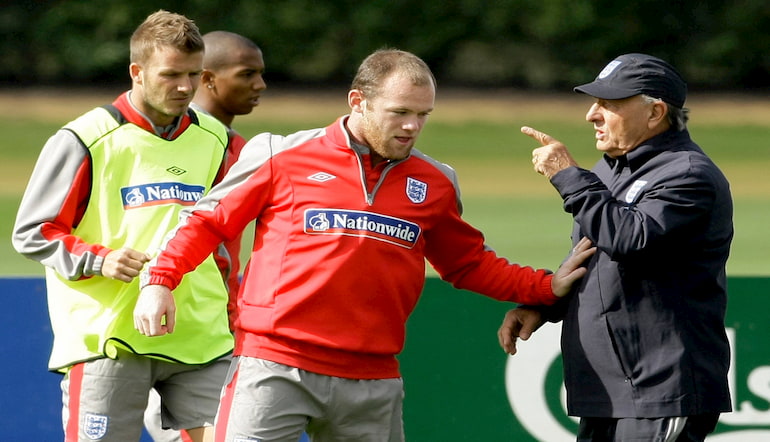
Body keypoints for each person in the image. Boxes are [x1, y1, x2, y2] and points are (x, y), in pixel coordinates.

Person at [133, 48, 596, 441]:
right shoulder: (281, 154)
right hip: (273, 366)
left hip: (373, 381)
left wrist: (543, 286)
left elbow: (468, 263)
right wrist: (159, 280)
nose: (413, 126)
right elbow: (207, 222)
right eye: (400, 113)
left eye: (423, 115)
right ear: (359, 102)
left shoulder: (435, 182)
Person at [12, 10, 234, 441]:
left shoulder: (216, 138)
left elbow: (224, 235)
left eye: (193, 74)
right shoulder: (84, 138)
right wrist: (101, 259)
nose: (185, 87)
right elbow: (32, 231)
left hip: (201, 339)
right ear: (137, 71)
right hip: (108, 340)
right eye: (171, 74)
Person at [498, 53, 733, 441]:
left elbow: (630, 238)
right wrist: (547, 306)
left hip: (661, 391)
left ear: (655, 113)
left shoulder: (688, 174)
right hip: (608, 393)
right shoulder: (610, 168)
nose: (592, 114)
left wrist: (568, 176)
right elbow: (598, 252)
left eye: (609, 104)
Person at [142, 30, 267, 442]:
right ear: (208, 79)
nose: (260, 85)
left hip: (216, 333)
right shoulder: (165, 144)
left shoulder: (240, 148)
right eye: (247, 74)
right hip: (167, 332)